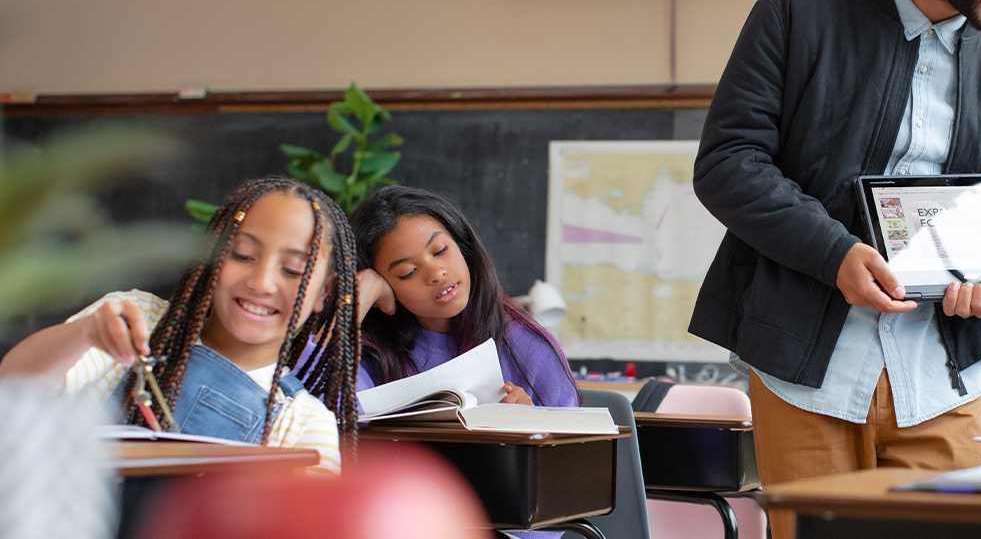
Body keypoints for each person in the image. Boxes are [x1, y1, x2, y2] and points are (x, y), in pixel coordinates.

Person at [688, 0, 981, 526]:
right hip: (806, 373)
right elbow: (727, 164)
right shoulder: (795, 15)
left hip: (943, 381)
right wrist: (836, 254)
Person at [0, 176, 360, 475]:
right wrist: (83, 334)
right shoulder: (136, 320)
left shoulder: (305, 424)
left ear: (323, 292)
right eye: (242, 255)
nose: (261, 282)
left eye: (293, 270)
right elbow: (14, 386)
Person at [350, 186, 577, 408]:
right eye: (408, 272)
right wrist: (356, 301)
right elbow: (325, 418)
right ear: (385, 287)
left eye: (440, 251)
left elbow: (575, 439)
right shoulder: (370, 351)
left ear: (462, 245)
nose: (437, 273)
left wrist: (531, 425)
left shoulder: (526, 345)